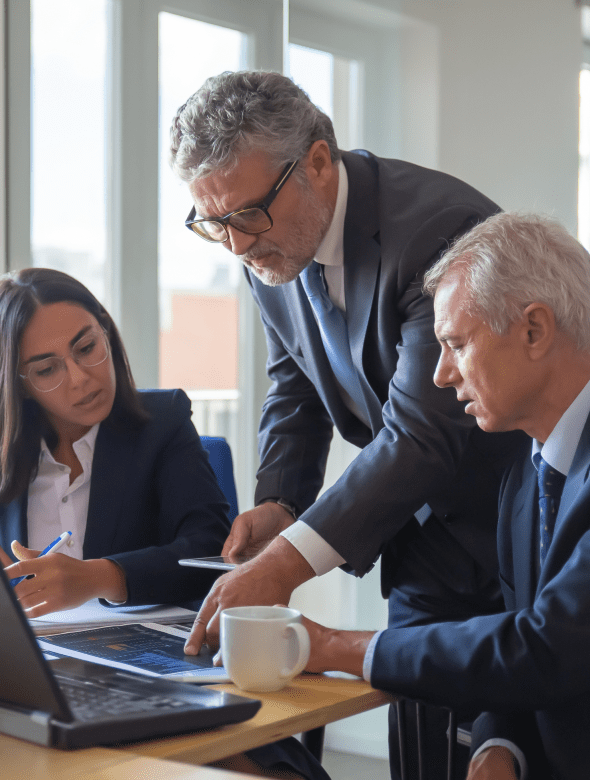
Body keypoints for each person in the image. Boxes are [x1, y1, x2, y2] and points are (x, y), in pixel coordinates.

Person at [170, 70, 527, 778]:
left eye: (246, 216)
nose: (236, 246)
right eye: (213, 224)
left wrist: (285, 564)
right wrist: (280, 502)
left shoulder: (441, 232)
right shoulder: (264, 241)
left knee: (510, 750)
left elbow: (422, 434)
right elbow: (296, 382)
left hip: (519, 529)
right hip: (421, 538)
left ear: (319, 163)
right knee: (424, 751)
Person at [298, 212, 590, 780]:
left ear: (534, 330)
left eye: (455, 344)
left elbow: (550, 648)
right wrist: (500, 748)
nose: (441, 374)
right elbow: (520, 648)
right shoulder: (525, 469)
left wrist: (334, 647)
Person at [0, 268, 230, 615]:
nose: (80, 378)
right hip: (18, 656)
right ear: (18, 383)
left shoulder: (164, 423)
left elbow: (210, 551)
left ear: (106, 331)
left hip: (131, 655)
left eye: (87, 347)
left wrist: (101, 577)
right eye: (47, 370)